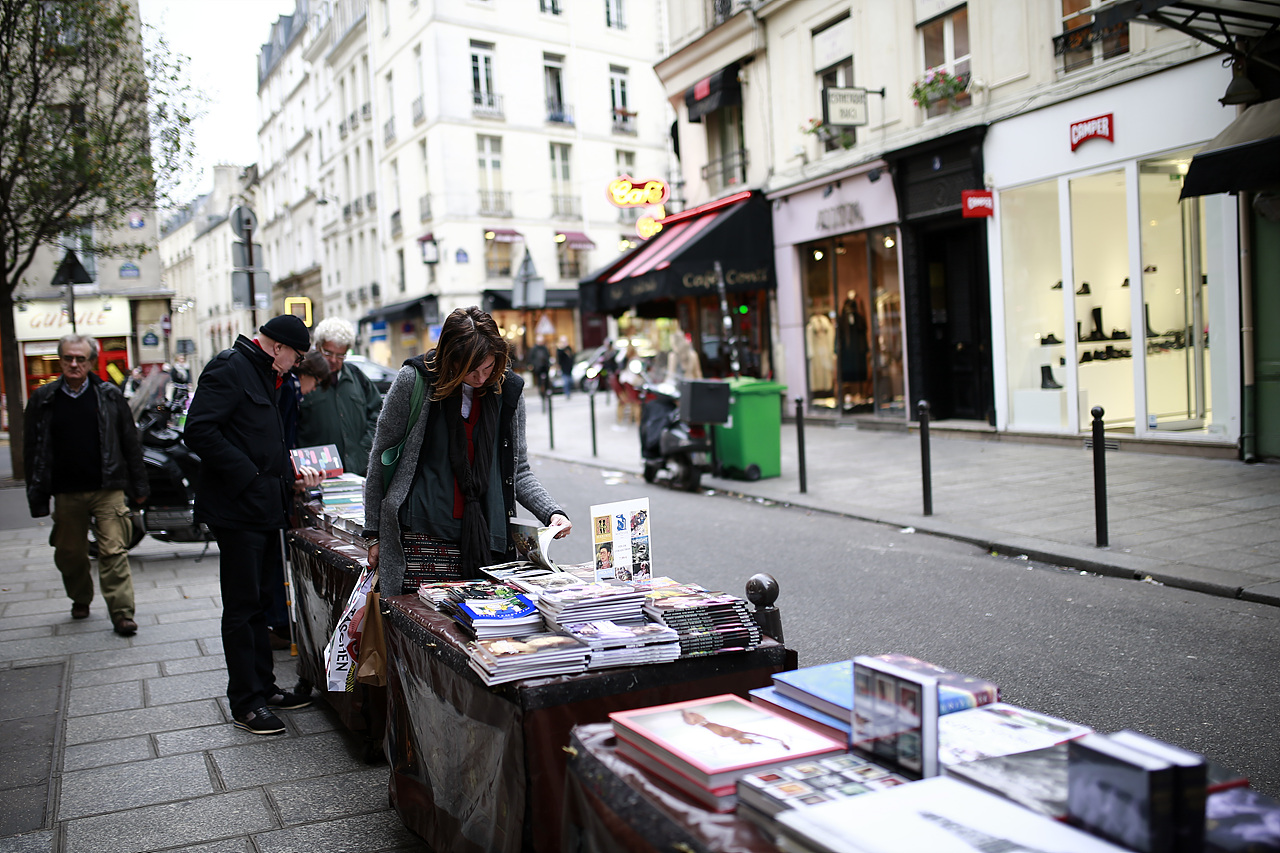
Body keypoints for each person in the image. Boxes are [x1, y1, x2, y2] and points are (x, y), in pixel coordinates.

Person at [364, 306, 572, 595]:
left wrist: (551, 512)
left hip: (487, 541)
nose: (481, 377)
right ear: (451, 359)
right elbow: (380, 459)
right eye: (470, 369)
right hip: (420, 539)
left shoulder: (506, 389)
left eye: (488, 367)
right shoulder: (415, 380)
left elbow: (518, 470)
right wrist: (372, 533)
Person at [184, 315, 323, 735]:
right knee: (243, 608)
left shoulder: (263, 372)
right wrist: (248, 475)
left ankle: (265, 687)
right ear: (277, 346)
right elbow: (199, 431)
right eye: (296, 357)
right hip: (238, 508)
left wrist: (287, 477)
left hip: (264, 507)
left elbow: (264, 437)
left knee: (263, 603)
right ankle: (245, 702)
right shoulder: (230, 366)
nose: (295, 365)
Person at [24, 335, 150, 636]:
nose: (74, 364)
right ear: (61, 360)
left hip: (108, 487)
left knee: (113, 550)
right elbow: (33, 450)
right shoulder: (44, 399)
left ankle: (121, 613)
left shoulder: (108, 395)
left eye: (80, 359)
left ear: (91, 361)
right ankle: (80, 597)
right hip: (66, 491)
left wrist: (139, 486)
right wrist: (37, 496)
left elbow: (129, 442)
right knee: (69, 552)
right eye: (68, 358)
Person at [297, 317, 382, 477]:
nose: (334, 360)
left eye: (341, 355)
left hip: (357, 471)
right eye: (328, 353)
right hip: (316, 473)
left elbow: (379, 415)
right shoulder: (304, 380)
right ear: (317, 347)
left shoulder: (358, 378)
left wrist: (365, 447)